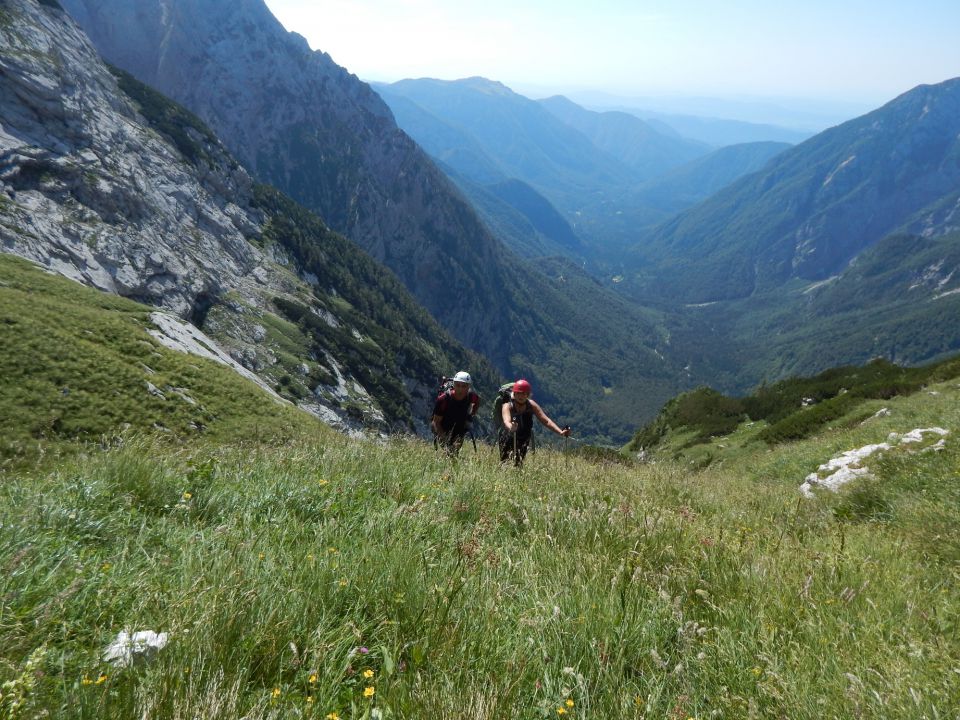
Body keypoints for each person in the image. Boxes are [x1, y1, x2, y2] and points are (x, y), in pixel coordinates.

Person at [499, 378, 570, 466]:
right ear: (514, 394)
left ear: (528, 395)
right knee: (505, 462)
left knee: (519, 462)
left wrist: (560, 432)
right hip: (508, 436)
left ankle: (516, 476)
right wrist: (511, 427)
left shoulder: (531, 405)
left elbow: (546, 421)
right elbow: (506, 420)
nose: (521, 396)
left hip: (524, 437)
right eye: (519, 393)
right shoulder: (507, 406)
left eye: (524, 393)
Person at [431, 371, 480, 455]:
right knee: (449, 452)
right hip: (442, 426)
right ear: (453, 384)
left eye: (464, 386)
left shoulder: (472, 396)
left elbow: (477, 402)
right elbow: (436, 422)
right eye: (458, 385)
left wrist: (470, 415)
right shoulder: (443, 399)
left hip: (459, 427)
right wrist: (444, 438)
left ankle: (449, 464)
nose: (460, 389)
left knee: (453, 453)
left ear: (468, 387)